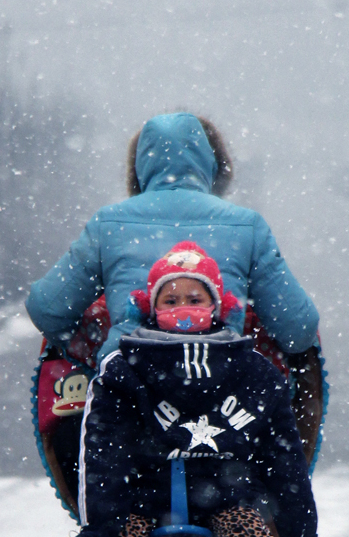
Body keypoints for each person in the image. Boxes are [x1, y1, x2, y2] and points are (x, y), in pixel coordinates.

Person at [70, 242, 327, 537]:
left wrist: (300, 536)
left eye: (195, 298)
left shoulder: (253, 370)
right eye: (170, 300)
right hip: (144, 497)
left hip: (225, 496)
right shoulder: (123, 367)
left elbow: (282, 457)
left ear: (217, 305)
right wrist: (99, 523)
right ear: (150, 307)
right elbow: (101, 448)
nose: (183, 308)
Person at [25, 113, 321, 363]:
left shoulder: (109, 223)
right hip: (222, 386)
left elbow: (47, 309)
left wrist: (97, 343)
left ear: (139, 168)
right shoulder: (247, 225)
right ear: (213, 165)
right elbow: (298, 329)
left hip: (129, 389)